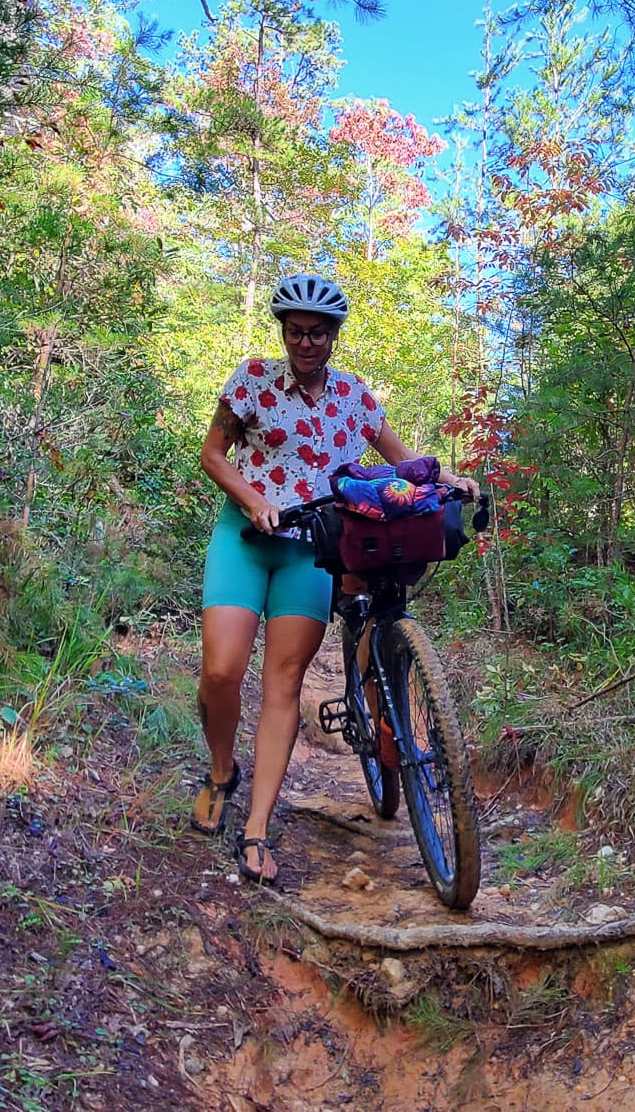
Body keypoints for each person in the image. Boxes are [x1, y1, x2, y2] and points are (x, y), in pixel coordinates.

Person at [191, 273, 474, 885]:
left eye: (318, 333)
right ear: (283, 332)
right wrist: (251, 498)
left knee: (283, 682)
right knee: (221, 670)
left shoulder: (354, 395)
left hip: (314, 549)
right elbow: (214, 453)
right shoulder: (253, 381)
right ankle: (221, 772)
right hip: (246, 538)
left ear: (335, 336)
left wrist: (443, 480)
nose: (306, 343)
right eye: (296, 332)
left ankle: (257, 829)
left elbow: (402, 461)